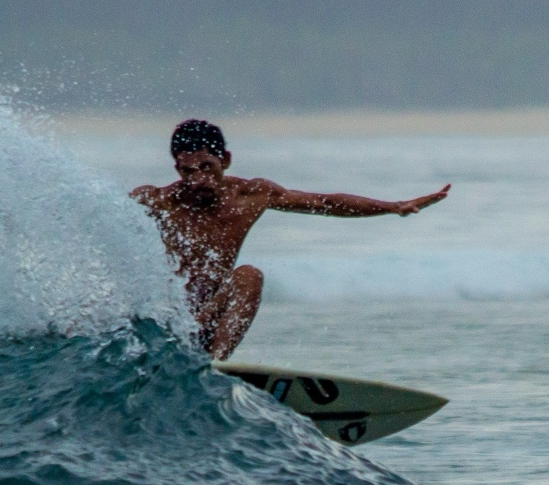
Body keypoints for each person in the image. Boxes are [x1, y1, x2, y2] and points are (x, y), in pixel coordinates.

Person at [131, 119, 450, 358]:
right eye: (188, 172)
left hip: (212, 320)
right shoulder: (156, 201)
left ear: (225, 161)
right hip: (167, 322)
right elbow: (101, 221)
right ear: (177, 168)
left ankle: (214, 367)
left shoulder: (250, 195)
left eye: (207, 167)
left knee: (249, 276)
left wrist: (393, 207)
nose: (198, 179)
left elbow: (324, 203)